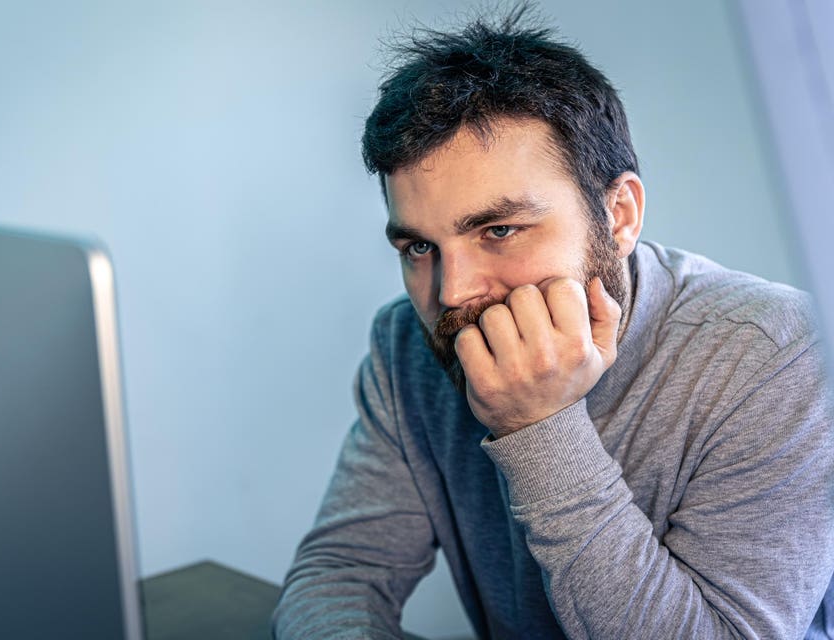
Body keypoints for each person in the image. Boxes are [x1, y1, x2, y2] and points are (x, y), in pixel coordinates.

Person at [272, 7, 834, 639]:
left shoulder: (783, 356)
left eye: (499, 230)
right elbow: (340, 574)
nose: (453, 292)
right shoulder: (408, 342)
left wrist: (539, 429)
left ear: (619, 216)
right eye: (420, 247)